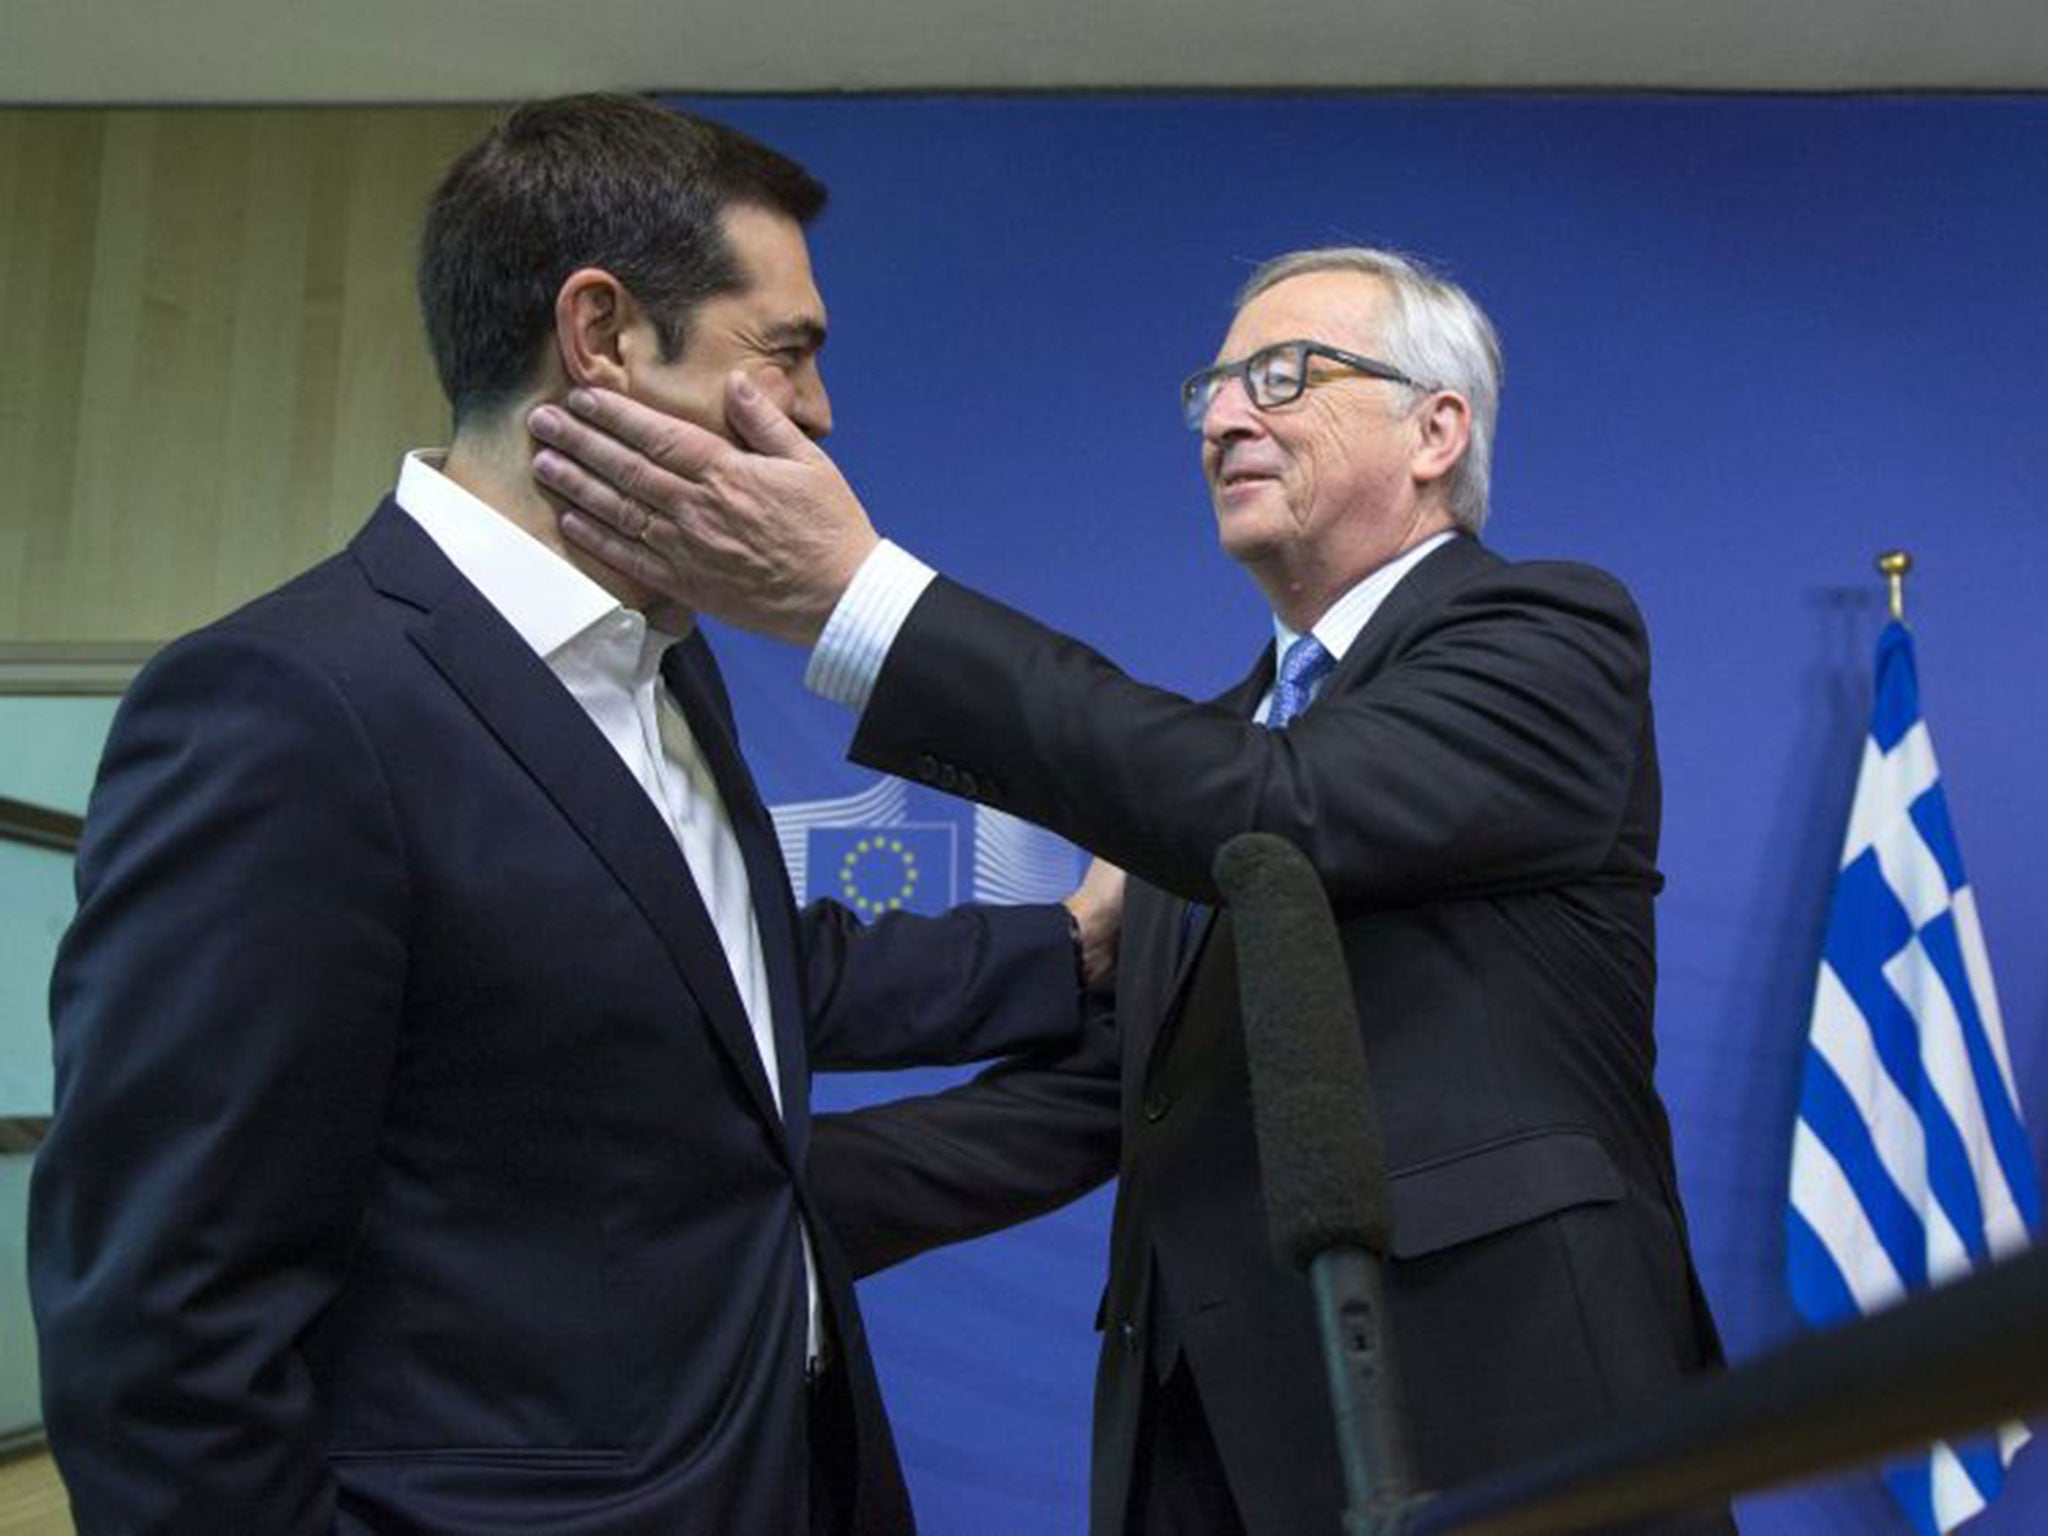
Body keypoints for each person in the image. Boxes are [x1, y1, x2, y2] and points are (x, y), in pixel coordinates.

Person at [28, 94, 1116, 1536]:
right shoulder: (290, 706)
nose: (819, 409)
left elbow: (738, 979)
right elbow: (163, 1330)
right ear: (600, 337)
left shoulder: (671, 663)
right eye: (784, 352)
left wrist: (1075, 945)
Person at [523, 245, 1732, 1534]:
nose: (1223, 417)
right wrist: (719, 1212)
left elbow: (1279, 816)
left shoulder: (1545, 638)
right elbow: (1109, 1103)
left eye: (1283, 374)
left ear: (1436, 430)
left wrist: (860, 599)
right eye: (1211, 387)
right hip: (1202, 1448)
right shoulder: (1219, 757)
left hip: (1502, 1417)